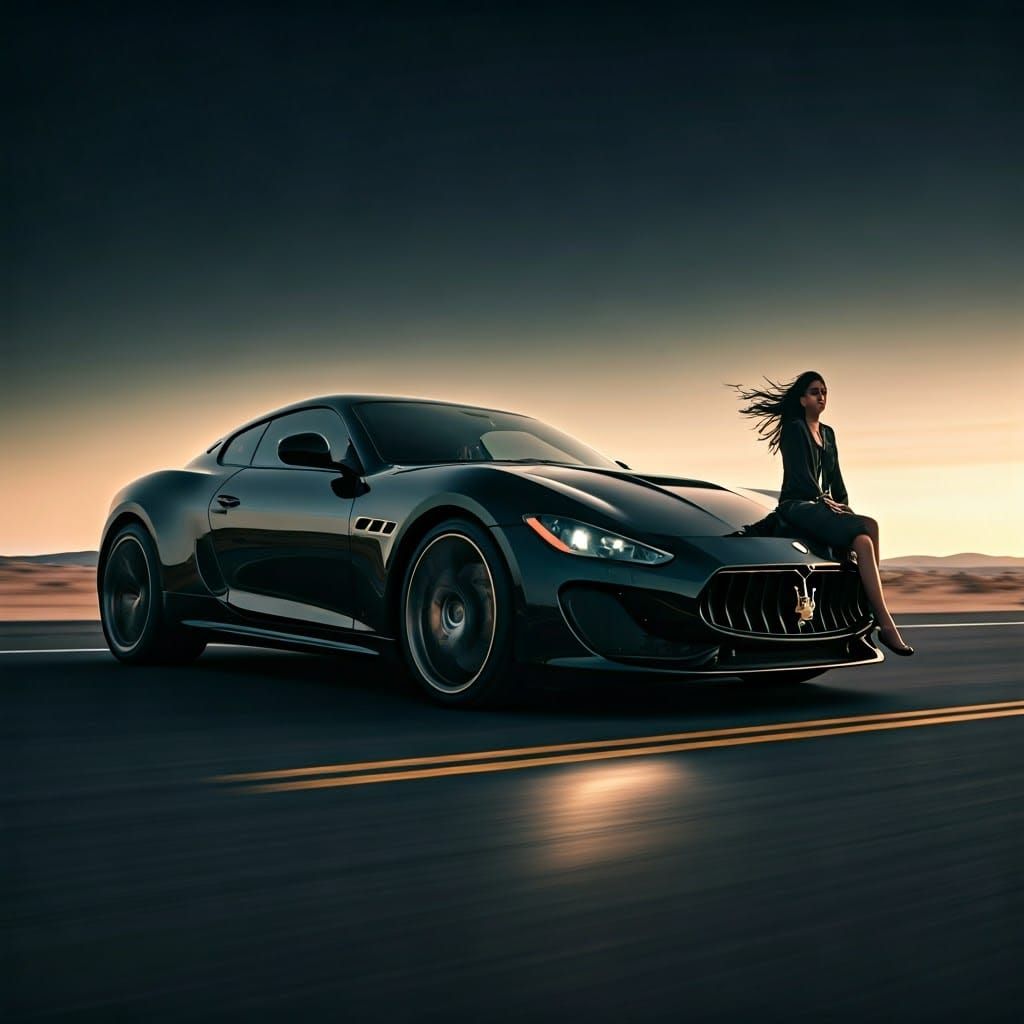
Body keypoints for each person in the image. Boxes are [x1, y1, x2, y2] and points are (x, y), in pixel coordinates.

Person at [727, 370, 914, 656]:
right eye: (815, 392)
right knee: (866, 533)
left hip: (822, 505)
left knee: (866, 534)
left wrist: (844, 507)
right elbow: (801, 477)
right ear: (802, 399)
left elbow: (836, 481)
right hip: (798, 506)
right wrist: (825, 502)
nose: (821, 396)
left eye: (824, 392)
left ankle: (873, 616)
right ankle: (882, 622)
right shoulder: (794, 428)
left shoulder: (828, 433)